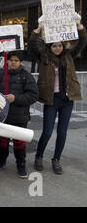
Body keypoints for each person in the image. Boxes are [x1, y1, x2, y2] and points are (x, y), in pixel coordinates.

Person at [30, 23, 87, 174]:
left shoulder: (69, 56)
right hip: (51, 99)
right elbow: (33, 47)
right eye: (54, 46)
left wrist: (80, 28)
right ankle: (39, 156)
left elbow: (82, 43)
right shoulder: (44, 57)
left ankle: (56, 159)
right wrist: (36, 32)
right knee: (48, 132)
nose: (57, 48)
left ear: (63, 46)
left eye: (60, 46)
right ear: (50, 46)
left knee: (62, 133)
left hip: (67, 100)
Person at [0, 51, 39, 178]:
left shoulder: (26, 76)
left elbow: (33, 95)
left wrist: (15, 98)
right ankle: (1, 161)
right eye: (11, 60)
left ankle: (21, 164)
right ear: (7, 60)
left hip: (20, 116)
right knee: (2, 141)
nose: (13, 62)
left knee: (19, 142)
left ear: (20, 62)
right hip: (2, 116)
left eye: (16, 60)